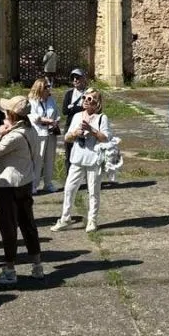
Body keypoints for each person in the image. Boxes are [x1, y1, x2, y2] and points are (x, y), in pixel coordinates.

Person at [0, 96, 42, 284]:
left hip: (9, 186)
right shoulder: (30, 130)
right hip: (25, 182)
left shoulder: (14, 136)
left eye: (7, 112)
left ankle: (9, 269)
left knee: (8, 227)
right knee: (28, 224)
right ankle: (37, 265)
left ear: (12, 115)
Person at [52, 89, 112, 233]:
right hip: (77, 158)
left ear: (97, 103)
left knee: (93, 191)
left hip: (93, 159)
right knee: (69, 189)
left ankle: (92, 220)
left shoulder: (101, 118)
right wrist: (74, 133)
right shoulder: (77, 116)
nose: (86, 100)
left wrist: (92, 131)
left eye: (90, 99)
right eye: (84, 97)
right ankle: (65, 218)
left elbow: (106, 138)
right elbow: (67, 137)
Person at [27, 77, 59, 193]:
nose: (48, 89)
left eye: (48, 87)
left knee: (50, 159)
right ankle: (34, 185)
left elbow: (56, 113)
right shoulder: (32, 100)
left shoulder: (51, 100)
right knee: (38, 159)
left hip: (50, 132)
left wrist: (55, 121)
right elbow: (33, 117)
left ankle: (48, 183)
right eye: (46, 87)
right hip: (39, 133)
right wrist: (47, 120)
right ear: (40, 88)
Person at [60, 69, 89, 174]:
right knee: (69, 152)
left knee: (85, 152)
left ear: (83, 78)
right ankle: (69, 177)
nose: (75, 80)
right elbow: (65, 110)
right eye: (73, 78)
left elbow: (91, 109)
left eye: (78, 77)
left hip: (85, 125)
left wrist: (73, 107)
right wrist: (80, 107)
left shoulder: (89, 93)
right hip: (70, 126)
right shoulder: (69, 94)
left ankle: (85, 177)